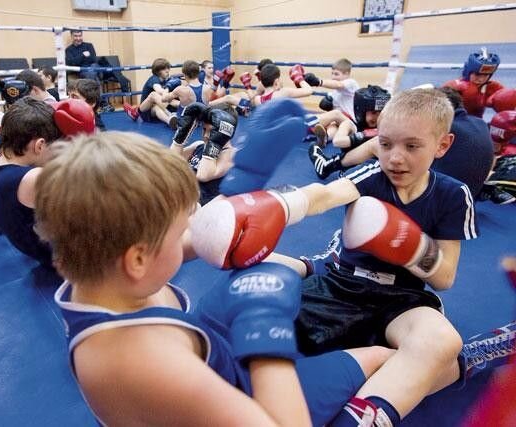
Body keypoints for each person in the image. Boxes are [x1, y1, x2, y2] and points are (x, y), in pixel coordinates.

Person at [34, 131, 394, 426]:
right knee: (381, 356)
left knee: (263, 269)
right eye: (180, 233)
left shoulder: (97, 271)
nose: (189, 235)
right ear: (138, 258)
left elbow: (184, 243)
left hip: (203, 352)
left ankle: (309, 276)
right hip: (239, 396)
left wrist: (246, 197)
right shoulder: (144, 360)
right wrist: (266, 335)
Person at [191, 89, 479, 426]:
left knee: (443, 341)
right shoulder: (373, 176)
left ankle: (359, 418)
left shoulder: (453, 195)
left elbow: (444, 278)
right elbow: (324, 195)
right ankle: (425, 371)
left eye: (412, 146)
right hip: (342, 285)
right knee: (259, 286)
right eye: (385, 145)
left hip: (401, 299)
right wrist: (284, 206)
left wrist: (413, 247)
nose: (395, 158)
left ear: (442, 145)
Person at [309, 87, 497, 202]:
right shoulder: (480, 124)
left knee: (379, 145)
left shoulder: (437, 128)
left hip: (427, 194)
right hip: (468, 195)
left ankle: (328, 165)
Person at [0, 97, 94, 269]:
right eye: (56, 147)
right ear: (40, 146)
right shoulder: (33, 178)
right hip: (68, 259)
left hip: (40, 250)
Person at [170, 103, 237, 205]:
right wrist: (181, 136)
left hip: (201, 208)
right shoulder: (199, 145)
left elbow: (203, 175)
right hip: (182, 198)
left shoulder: (231, 154)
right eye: (204, 129)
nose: (205, 135)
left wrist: (214, 142)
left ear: (225, 132)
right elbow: (170, 161)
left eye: (212, 131)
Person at [443, 48, 504, 118]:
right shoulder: (454, 86)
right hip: (452, 125)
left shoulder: (492, 87)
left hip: (477, 125)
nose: (481, 79)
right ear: (468, 72)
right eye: (477, 75)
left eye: (486, 75)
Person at [122, 58, 178, 129]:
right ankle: (171, 116)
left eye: (168, 68)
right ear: (158, 71)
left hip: (158, 109)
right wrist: (166, 91)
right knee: (154, 95)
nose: (167, 70)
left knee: (158, 107)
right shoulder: (154, 79)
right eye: (164, 69)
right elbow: (158, 89)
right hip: (146, 111)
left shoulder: (167, 80)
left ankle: (171, 121)